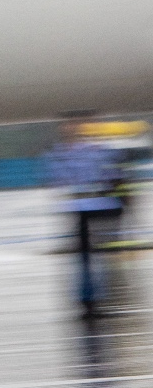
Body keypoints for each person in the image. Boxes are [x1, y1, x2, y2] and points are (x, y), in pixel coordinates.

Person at [46, 118, 121, 317]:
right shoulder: (66, 153)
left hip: (90, 207)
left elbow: (109, 175)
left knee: (91, 258)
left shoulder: (67, 153)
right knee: (87, 259)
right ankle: (89, 301)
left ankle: (92, 300)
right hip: (83, 208)